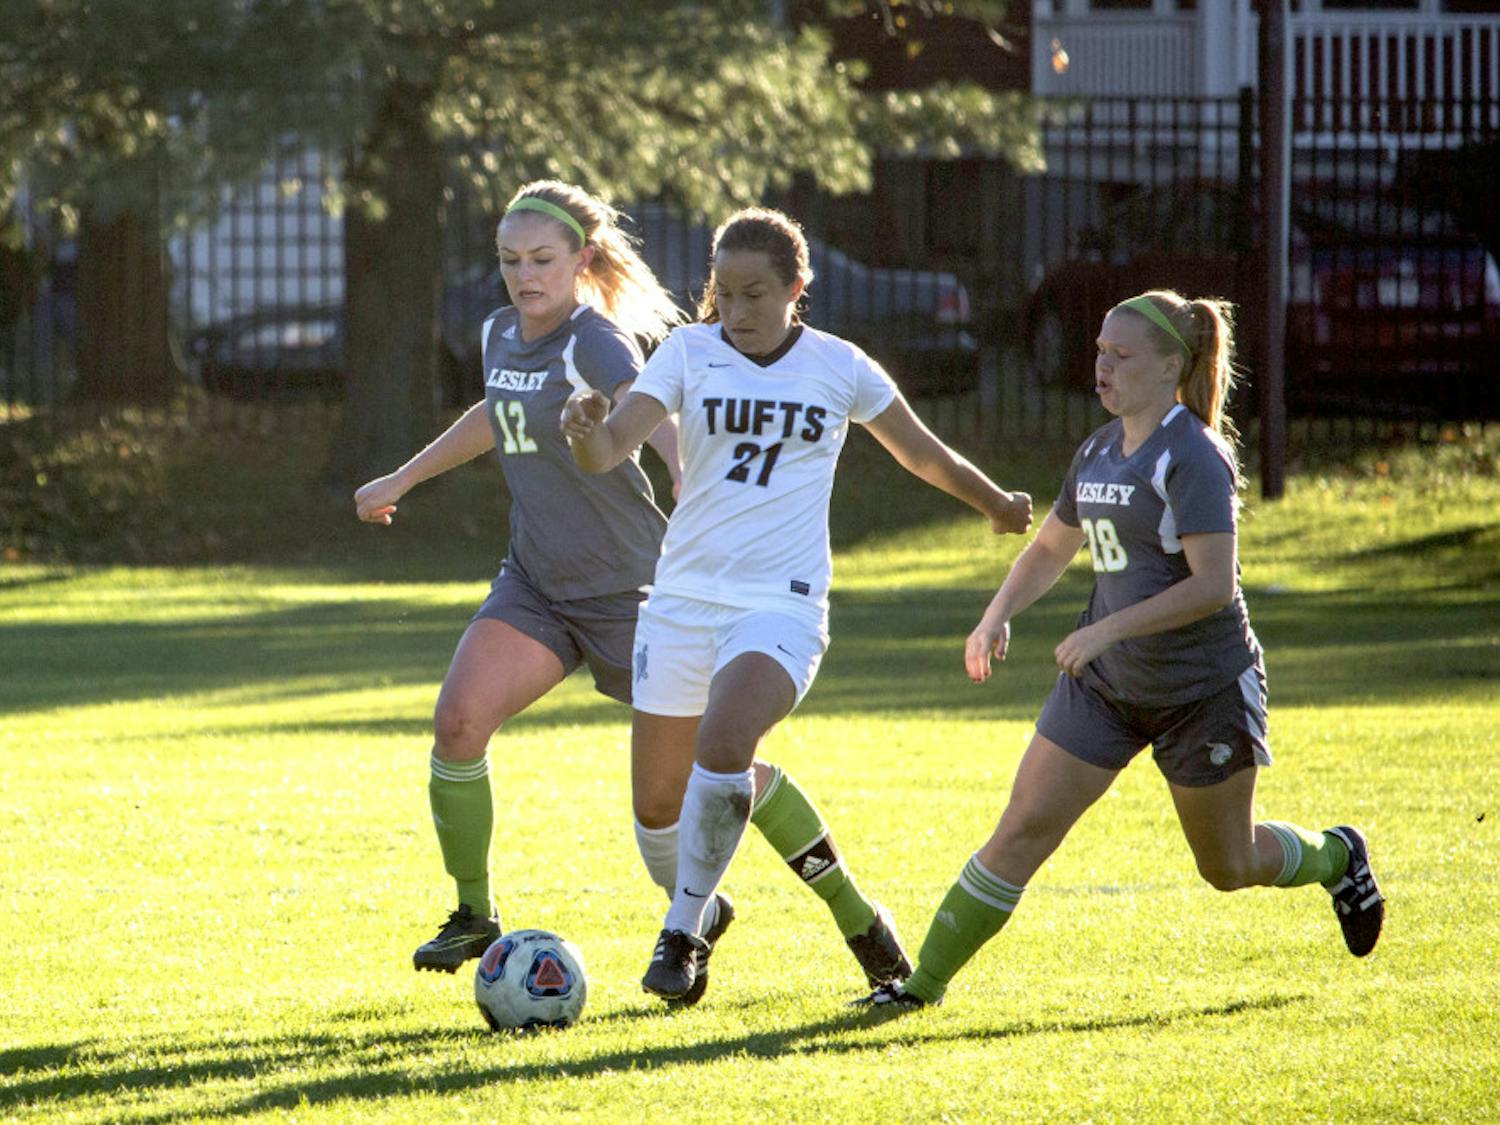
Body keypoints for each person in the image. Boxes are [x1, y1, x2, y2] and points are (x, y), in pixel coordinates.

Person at [355, 183, 914, 1001]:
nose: (522, 275)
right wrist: (404, 475)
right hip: (537, 584)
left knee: (719, 774)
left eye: (541, 259)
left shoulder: (598, 341)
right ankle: (475, 911)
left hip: (635, 591)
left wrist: (690, 477)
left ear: (582, 259)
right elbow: (496, 409)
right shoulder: (498, 332)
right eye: (510, 260)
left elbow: (655, 415)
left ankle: (851, 910)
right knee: (458, 721)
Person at [855, 290, 1386, 1013]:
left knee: (1228, 865)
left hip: (1201, 690)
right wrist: (995, 615)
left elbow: (1213, 587)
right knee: (1021, 826)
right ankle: (918, 988)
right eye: (1100, 350)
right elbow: (1049, 546)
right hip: (1106, 687)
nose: (1101, 366)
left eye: (1121, 355)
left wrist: (1105, 627)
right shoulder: (1100, 448)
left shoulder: (1193, 456)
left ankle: (1336, 855)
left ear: (1173, 364)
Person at [561, 206, 1034, 1003]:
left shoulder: (838, 366)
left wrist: (993, 503)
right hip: (680, 601)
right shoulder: (688, 353)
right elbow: (611, 448)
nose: (738, 312)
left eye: (755, 295)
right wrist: (583, 432)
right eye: (724, 293)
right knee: (660, 815)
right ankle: (857, 917)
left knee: (726, 740)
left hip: (779, 605)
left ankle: (680, 934)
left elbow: (922, 452)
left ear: (797, 288)